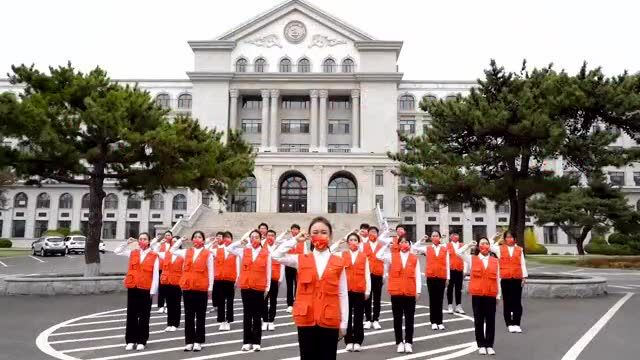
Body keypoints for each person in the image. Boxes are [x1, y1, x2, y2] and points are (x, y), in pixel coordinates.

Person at [272, 216, 348, 360]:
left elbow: (343, 293)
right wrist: (295, 240)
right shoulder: (301, 259)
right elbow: (275, 256)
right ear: (309, 236)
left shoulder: (338, 261)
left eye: (324, 232)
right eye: (315, 232)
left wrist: (344, 323)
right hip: (306, 318)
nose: (319, 235)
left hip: (329, 319)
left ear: (330, 236)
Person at [228, 230, 272, 352]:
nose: (254, 239)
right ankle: (247, 341)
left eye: (257, 237)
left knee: (257, 315)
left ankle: (257, 341)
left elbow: (268, 272)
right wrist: (241, 241)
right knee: (247, 315)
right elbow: (229, 248)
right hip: (246, 287)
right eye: (252, 237)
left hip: (259, 288)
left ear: (261, 238)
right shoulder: (244, 251)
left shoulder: (266, 253)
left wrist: (267, 288)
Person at [455, 238, 501, 356]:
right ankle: (481, 344)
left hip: (491, 294)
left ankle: (489, 345)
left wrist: (498, 295)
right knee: (479, 320)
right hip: (477, 295)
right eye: (482, 244)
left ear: (489, 246)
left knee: (490, 321)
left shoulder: (495, 261)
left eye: (486, 244)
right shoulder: (472, 259)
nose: (484, 246)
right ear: (478, 247)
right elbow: (458, 252)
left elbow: (498, 279)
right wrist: (469, 245)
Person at [376, 235, 421, 353]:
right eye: (402, 242)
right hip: (396, 292)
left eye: (406, 242)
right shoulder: (392, 256)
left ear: (410, 245)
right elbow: (378, 255)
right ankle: (399, 342)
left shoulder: (414, 258)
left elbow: (417, 276)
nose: (404, 244)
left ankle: (409, 342)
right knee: (397, 319)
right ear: (398, 244)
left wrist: (418, 291)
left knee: (409, 319)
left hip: (410, 292)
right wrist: (386, 245)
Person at [114, 232, 160, 351]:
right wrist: (126, 243)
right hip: (133, 288)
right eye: (140, 239)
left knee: (144, 316)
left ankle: (141, 341)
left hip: (146, 289)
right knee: (132, 315)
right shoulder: (133, 253)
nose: (142, 241)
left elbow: (155, 275)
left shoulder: (154, 256)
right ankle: (130, 340)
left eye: (145, 239)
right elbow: (117, 251)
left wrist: (153, 292)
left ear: (149, 241)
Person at [170, 231, 214, 352]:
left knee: (200, 316)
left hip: (201, 288)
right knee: (189, 316)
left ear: (203, 240)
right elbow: (172, 250)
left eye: (199, 237)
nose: (197, 239)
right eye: (195, 237)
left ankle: (198, 341)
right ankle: (189, 341)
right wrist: (180, 241)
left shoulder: (207, 254)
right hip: (188, 288)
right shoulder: (187, 252)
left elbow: (211, 272)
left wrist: (210, 288)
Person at [330, 232, 371, 352]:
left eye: (355, 240)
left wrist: (367, 290)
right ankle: (348, 340)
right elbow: (329, 252)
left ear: (359, 242)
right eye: (350, 240)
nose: (353, 242)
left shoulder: (364, 257)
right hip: (346, 290)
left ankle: (358, 341)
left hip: (359, 290)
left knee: (358, 317)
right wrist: (339, 242)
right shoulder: (342, 254)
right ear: (348, 243)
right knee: (346, 316)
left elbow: (367, 274)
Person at [491, 231, 528, 333]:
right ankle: (509, 323)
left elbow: (522, 264)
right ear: (505, 239)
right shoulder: (499, 249)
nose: (509, 239)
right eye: (507, 237)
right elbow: (489, 245)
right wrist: (496, 237)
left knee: (517, 302)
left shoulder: (519, 249)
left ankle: (517, 323)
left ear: (515, 239)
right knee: (507, 302)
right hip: (505, 278)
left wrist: (524, 276)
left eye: (511, 237)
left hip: (517, 278)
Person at [414, 230, 450, 330]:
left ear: (439, 238)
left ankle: (440, 321)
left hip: (441, 277)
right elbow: (414, 247)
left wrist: (448, 277)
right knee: (433, 300)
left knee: (440, 299)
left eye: (436, 236)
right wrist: (422, 239)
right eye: (433, 236)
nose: (435, 237)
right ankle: (433, 321)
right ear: (431, 238)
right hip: (431, 277)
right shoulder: (427, 248)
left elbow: (447, 263)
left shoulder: (444, 249)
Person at [151, 233, 183, 332]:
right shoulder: (166, 254)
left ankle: (175, 323)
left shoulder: (183, 254)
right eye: (172, 241)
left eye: (176, 241)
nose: (173, 243)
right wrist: (159, 243)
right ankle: (169, 323)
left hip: (177, 282)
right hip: (167, 281)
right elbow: (155, 252)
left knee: (176, 304)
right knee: (169, 303)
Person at [209, 231, 239, 331]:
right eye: (224, 237)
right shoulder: (217, 249)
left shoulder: (235, 250)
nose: (226, 239)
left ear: (231, 239)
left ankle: (228, 321)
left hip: (230, 280)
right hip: (219, 279)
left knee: (230, 301)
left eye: (228, 237)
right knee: (220, 301)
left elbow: (238, 265)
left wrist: (237, 279)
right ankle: (222, 321)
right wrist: (212, 242)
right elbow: (207, 250)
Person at [262, 229, 287, 331]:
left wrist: (280, 278)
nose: (270, 237)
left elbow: (282, 264)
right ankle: (264, 321)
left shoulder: (278, 249)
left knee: (273, 301)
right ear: (266, 236)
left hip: (275, 278)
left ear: (275, 238)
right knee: (264, 300)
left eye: (272, 235)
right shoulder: (262, 248)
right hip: (264, 279)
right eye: (269, 235)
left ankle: (271, 321)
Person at [363, 226, 385, 330]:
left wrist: (384, 275)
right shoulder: (363, 245)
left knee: (377, 298)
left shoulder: (382, 246)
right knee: (367, 297)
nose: (373, 233)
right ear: (368, 233)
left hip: (378, 274)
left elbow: (385, 261)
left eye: (375, 232)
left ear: (377, 234)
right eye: (371, 232)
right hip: (367, 274)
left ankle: (376, 319)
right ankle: (368, 319)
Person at [285, 224, 304, 314]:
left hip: (298, 266)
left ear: (299, 231)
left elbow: (305, 254)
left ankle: (297, 303)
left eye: (296, 229)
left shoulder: (303, 242)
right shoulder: (287, 241)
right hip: (289, 265)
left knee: (298, 285)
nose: (294, 231)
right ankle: (290, 304)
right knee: (289, 285)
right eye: (293, 229)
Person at [446, 232, 465, 314]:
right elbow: (445, 259)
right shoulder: (447, 245)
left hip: (459, 269)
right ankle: (450, 305)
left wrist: (465, 270)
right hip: (450, 269)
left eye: (457, 235)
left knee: (458, 289)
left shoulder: (462, 245)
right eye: (453, 235)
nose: (455, 236)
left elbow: (465, 257)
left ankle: (458, 305)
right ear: (450, 237)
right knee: (450, 288)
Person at [155, 231, 172, 314]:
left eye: (169, 235)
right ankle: (161, 306)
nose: (167, 237)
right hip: (161, 268)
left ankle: (168, 305)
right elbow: (155, 252)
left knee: (169, 289)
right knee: (161, 288)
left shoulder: (174, 245)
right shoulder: (161, 245)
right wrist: (159, 243)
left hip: (171, 269)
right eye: (166, 235)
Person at [208, 231, 225, 312]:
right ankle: (215, 306)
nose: (218, 238)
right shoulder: (214, 247)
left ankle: (221, 306)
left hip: (222, 273)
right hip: (214, 272)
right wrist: (212, 242)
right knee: (215, 291)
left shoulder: (225, 247)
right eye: (217, 236)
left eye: (220, 236)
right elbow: (207, 250)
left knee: (221, 291)